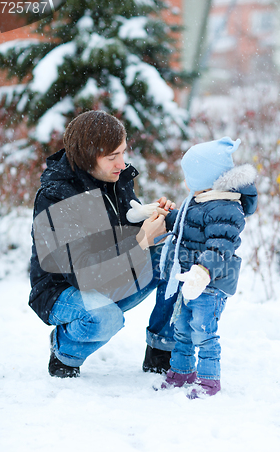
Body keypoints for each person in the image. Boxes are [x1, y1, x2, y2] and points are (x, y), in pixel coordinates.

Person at [29, 110, 179, 378]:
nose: (121, 164)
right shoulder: (57, 197)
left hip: (108, 275)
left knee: (174, 258)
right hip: (61, 290)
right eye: (112, 157)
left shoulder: (115, 178)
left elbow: (117, 232)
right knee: (104, 317)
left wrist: (150, 217)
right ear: (88, 156)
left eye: (122, 152)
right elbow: (83, 274)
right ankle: (65, 352)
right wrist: (142, 239)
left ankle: (160, 351)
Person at [157, 137, 258, 398]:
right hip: (188, 280)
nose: (186, 182)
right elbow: (184, 222)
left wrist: (202, 271)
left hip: (209, 285)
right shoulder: (200, 200)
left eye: (190, 176)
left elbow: (220, 246)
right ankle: (182, 372)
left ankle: (209, 381)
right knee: (181, 328)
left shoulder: (225, 208)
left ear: (206, 176)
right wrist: (160, 216)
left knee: (203, 331)